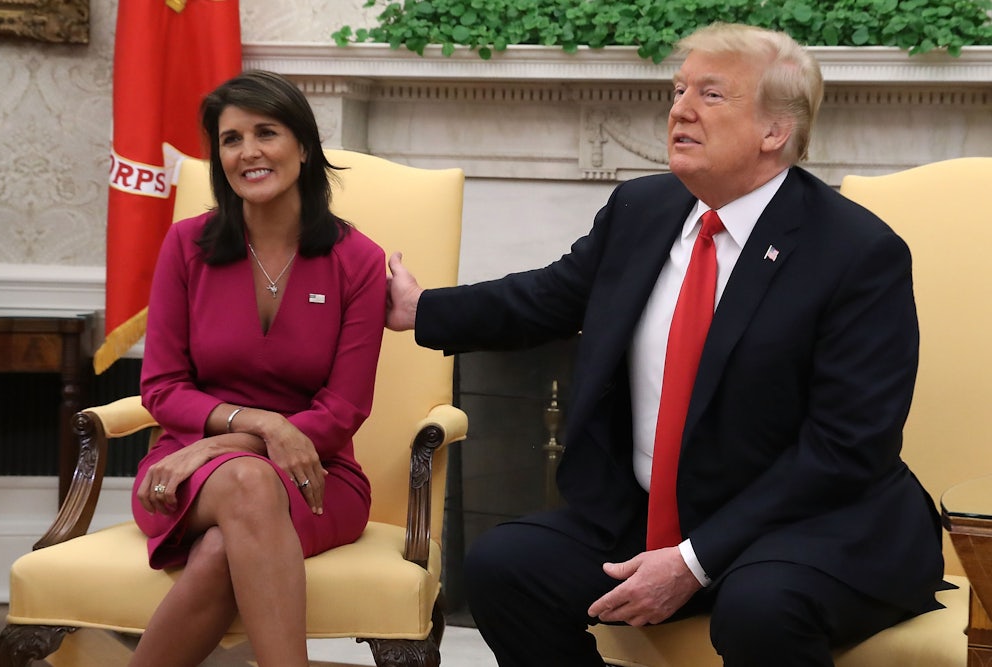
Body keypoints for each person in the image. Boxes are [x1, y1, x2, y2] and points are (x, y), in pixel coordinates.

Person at [386, 22, 945, 667]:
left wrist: (692, 562)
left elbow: (846, 448)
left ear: (775, 131)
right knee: (505, 567)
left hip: (806, 527)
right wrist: (419, 309)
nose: (679, 108)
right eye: (679, 90)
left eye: (711, 94)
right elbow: (549, 296)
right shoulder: (642, 209)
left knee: (760, 610)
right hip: (649, 516)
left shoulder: (856, 253)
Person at [131, 70, 386, 667]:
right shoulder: (185, 246)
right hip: (180, 473)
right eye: (230, 139)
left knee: (226, 543)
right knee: (245, 483)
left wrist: (227, 444)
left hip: (315, 475)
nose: (248, 152)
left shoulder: (359, 261)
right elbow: (162, 389)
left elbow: (345, 409)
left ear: (302, 144)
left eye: (265, 132)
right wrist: (265, 427)